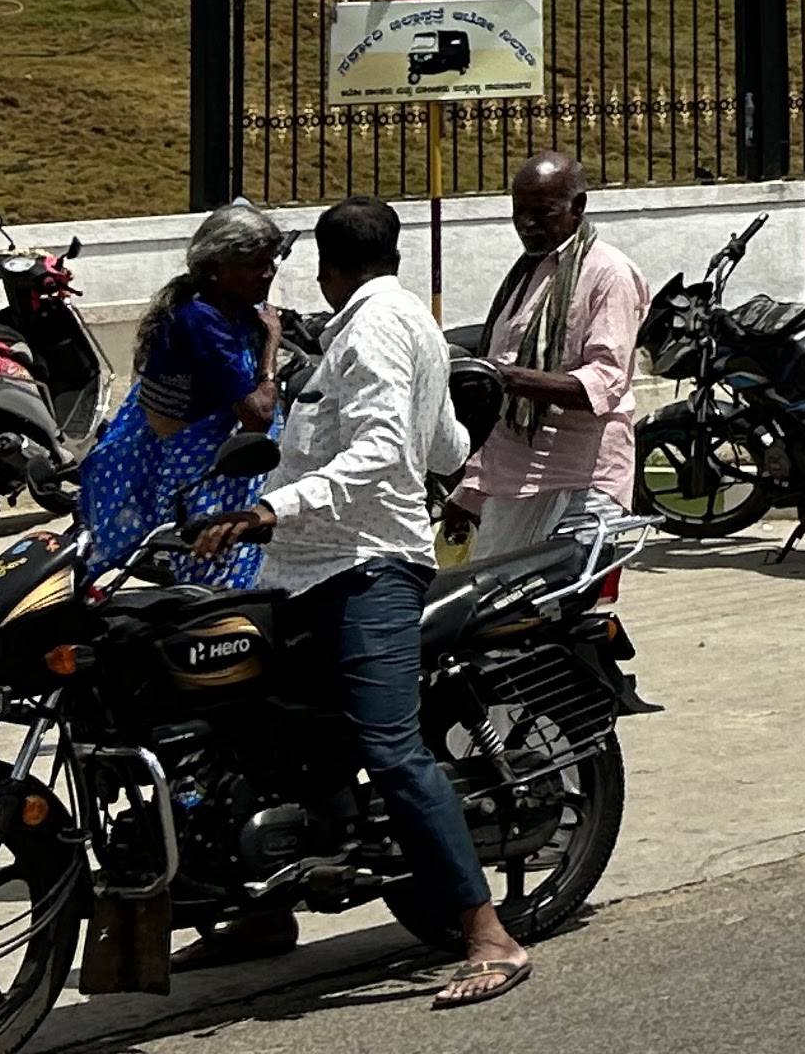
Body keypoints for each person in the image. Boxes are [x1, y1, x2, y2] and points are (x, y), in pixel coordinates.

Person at [189, 198, 530, 1011]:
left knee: (391, 748)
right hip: (306, 572)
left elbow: (382, 451)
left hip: (366, 567)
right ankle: (266, 909)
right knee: (266, 730)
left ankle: (490, 935)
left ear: (327, 266)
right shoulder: (403, 323)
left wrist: (278, 508)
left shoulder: (372, 327)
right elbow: (443, 446)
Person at [443, 155, 645, 566]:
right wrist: (470, 491)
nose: (528, 225)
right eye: (520, 214)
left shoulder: (610, 275)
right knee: (489, 607)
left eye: (542, 213)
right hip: (513, 480)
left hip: (583, 478)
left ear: (578, 207)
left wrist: (508, 378)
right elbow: (499, 410)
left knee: (566, 609)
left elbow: (604, 382)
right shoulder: (525, 275)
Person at [79, 201, 285, 588]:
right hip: (200, 472)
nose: (268, 273)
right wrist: (270, 345)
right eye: (257, 264)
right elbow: (258, 414)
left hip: (201, 461)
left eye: (271, 261)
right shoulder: (202, 320)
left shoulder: (230, 309)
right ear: (216, 270)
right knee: (212, 571)